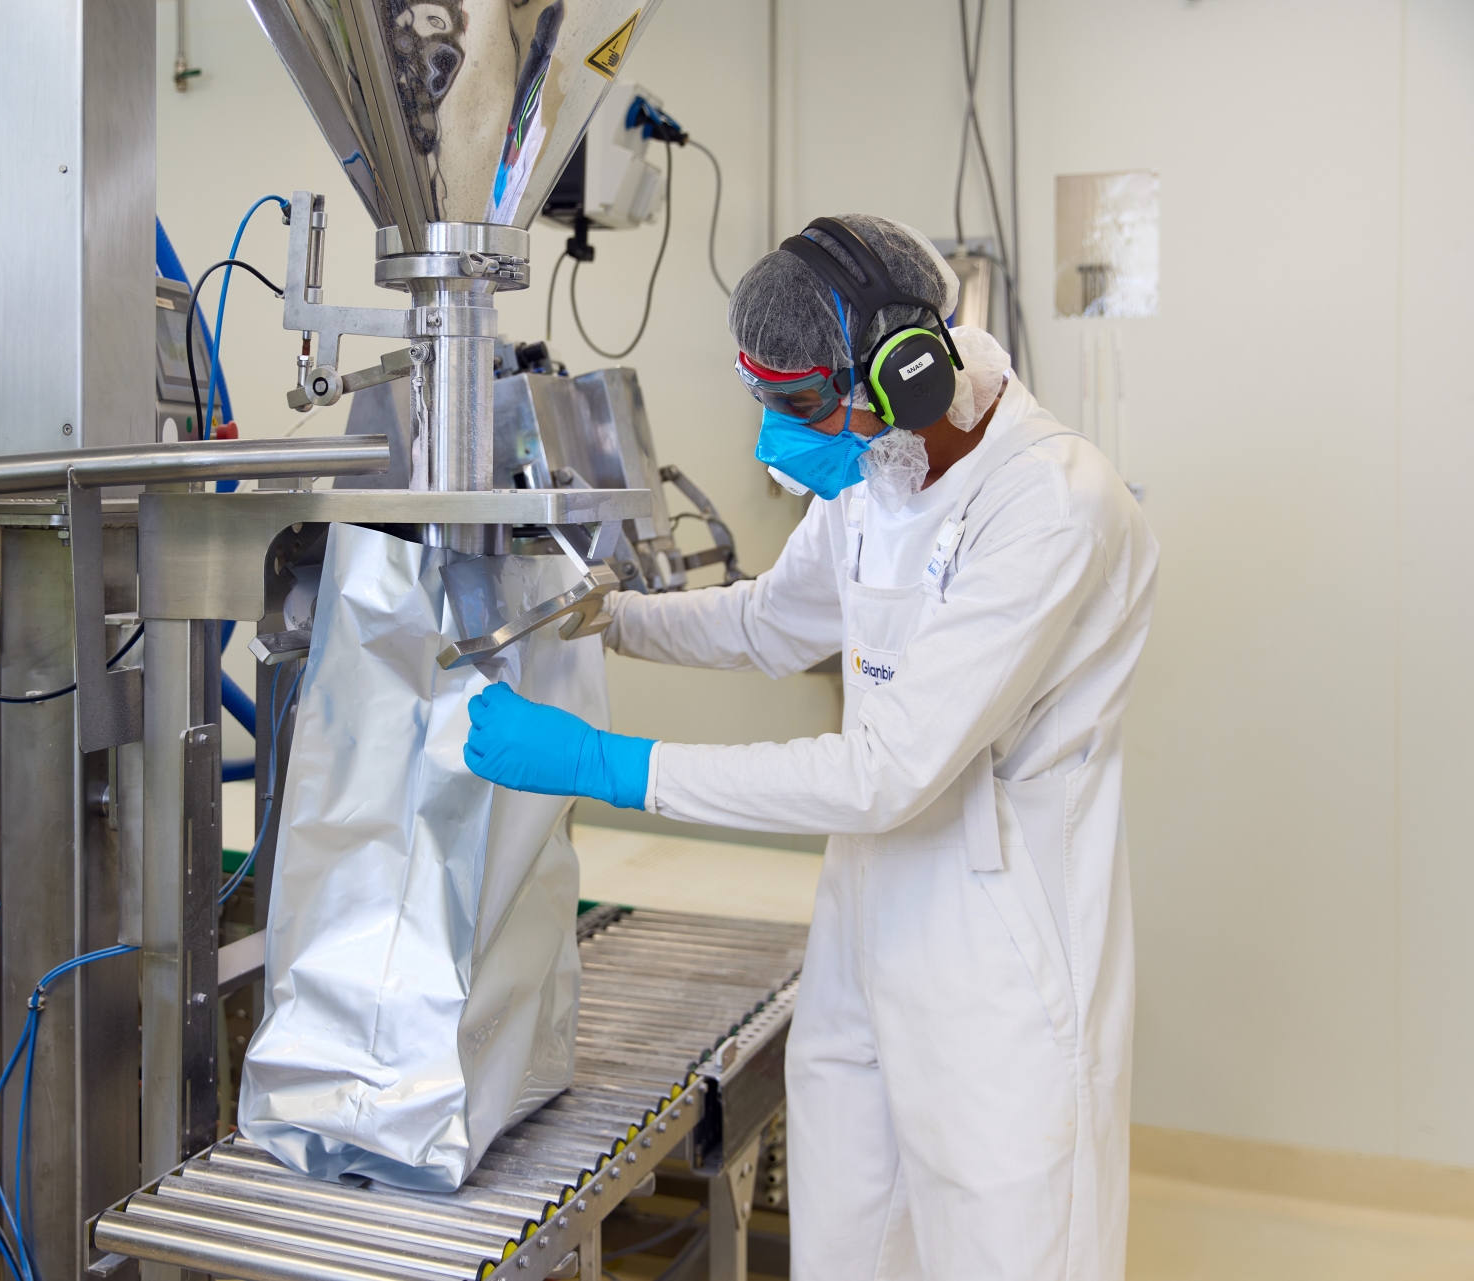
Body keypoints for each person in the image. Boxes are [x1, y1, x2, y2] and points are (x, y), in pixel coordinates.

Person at [464, 214, 1159, 1279]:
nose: (774, 442)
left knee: (1007, 1247)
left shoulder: (1051, 506)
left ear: (906, 371)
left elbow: (884, 774)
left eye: (795, 405)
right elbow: (767, 623)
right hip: (864, 921)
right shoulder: (876, 472)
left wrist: (606, 764)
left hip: (1000, 952)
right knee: (848, 1242)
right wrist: (609, 616)